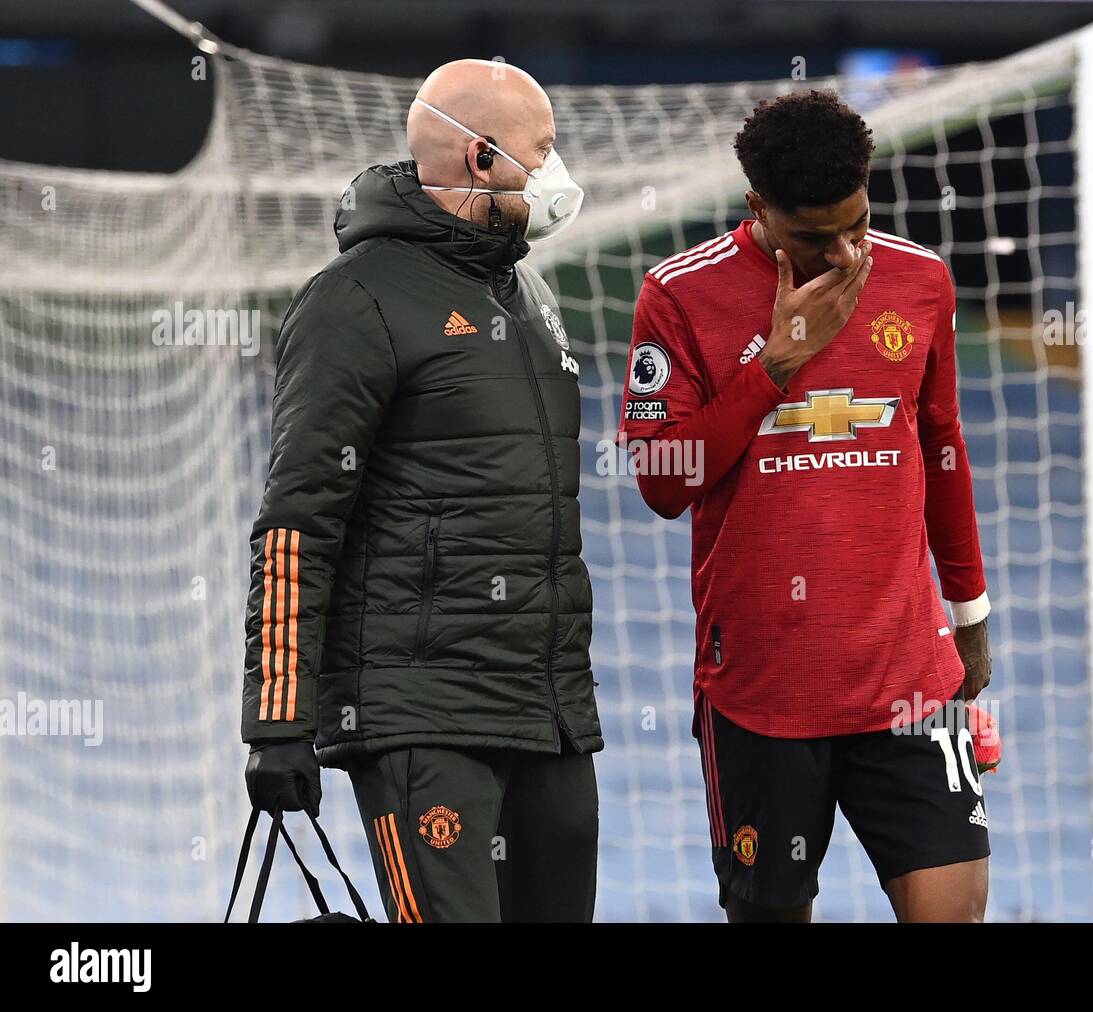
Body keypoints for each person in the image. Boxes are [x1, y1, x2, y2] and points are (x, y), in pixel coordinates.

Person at [240, 59, 602, 923]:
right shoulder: (353, 299)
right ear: (481, 159)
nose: (556, 173)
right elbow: (297, 520)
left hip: (547, 711)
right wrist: (277, 718)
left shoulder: (528, 292)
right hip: (420, 715)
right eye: (541, 151)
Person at [619, 89, 993, 922]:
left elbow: (942, 450)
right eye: (814, 237)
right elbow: (661, 482)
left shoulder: (921, 279)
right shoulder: (679, 297)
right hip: (760, 686)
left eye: (855, 224)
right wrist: (776, 363)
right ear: (758, 206)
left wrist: (971, 615)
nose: (844, 253)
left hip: (906, 680)